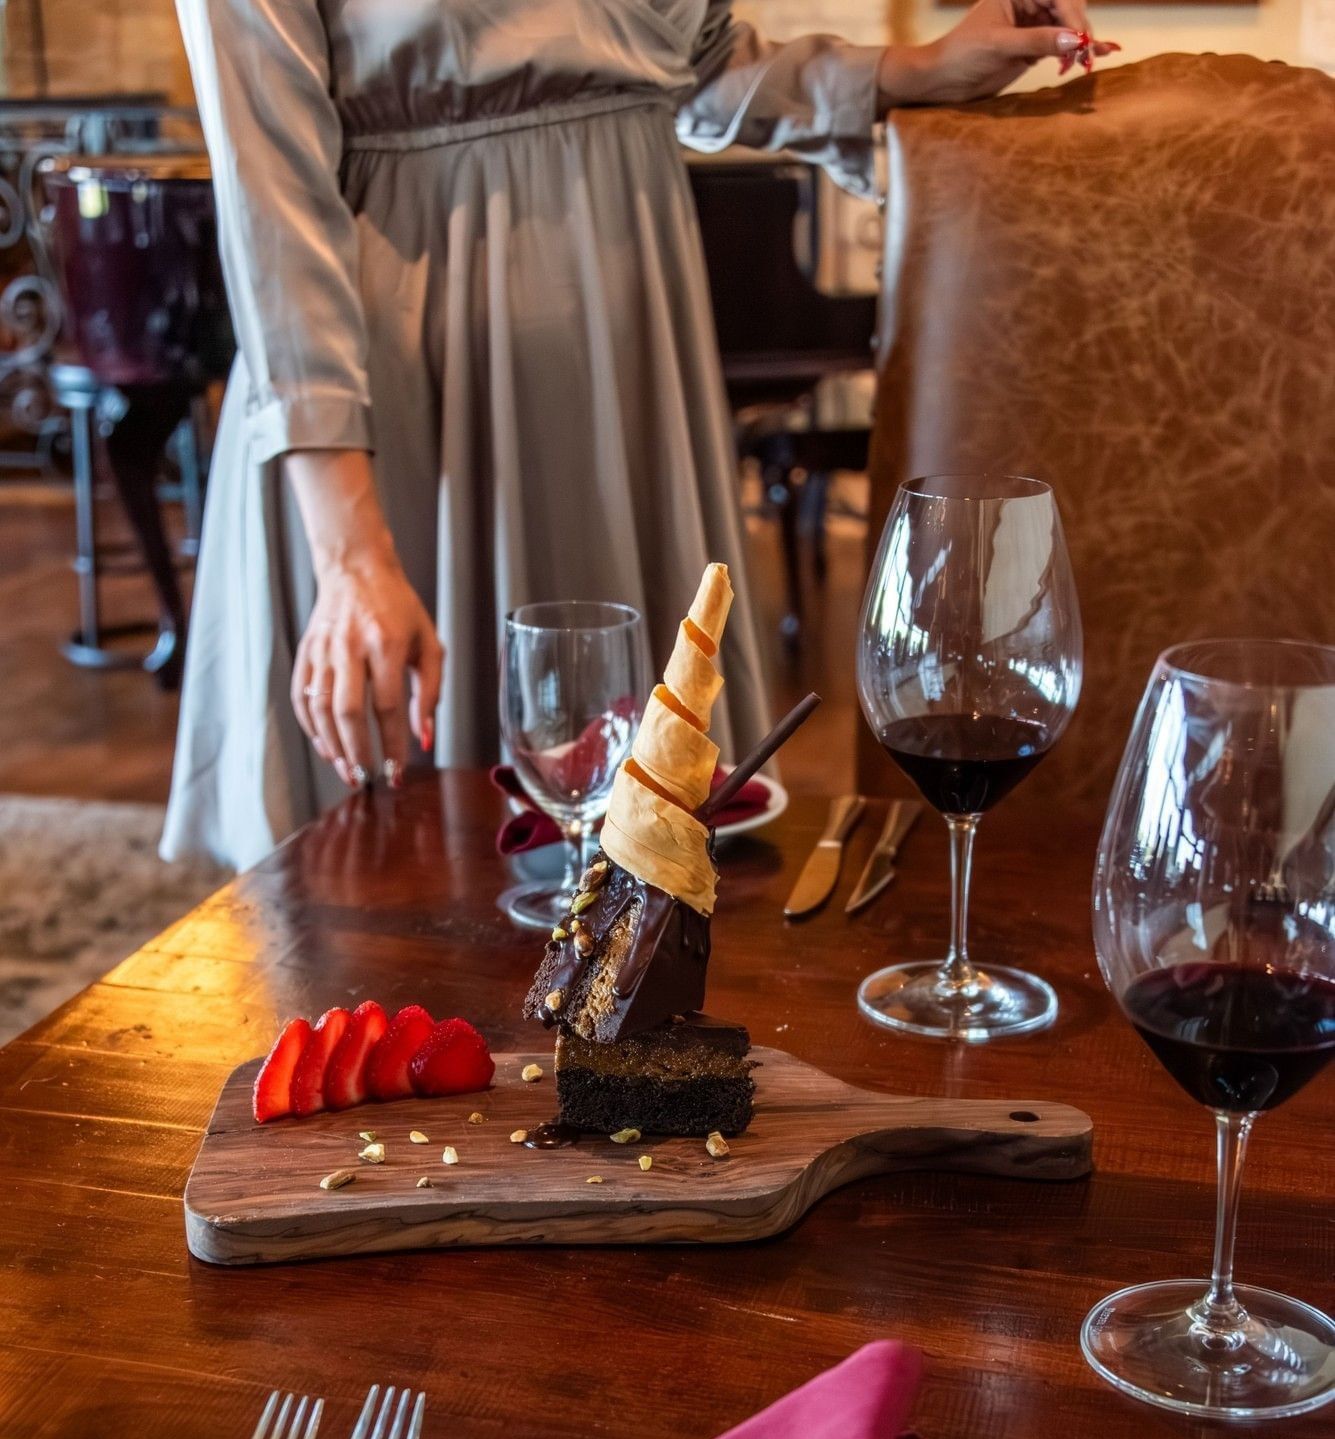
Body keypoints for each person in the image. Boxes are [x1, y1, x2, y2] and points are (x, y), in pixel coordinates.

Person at [165, 0, 1111, 870]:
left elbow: (681, 66)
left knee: (642, 858)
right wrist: (351, 557)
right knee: (424, 880)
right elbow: (271, 198)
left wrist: (915, 69)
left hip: (633, 373)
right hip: (414, 403)